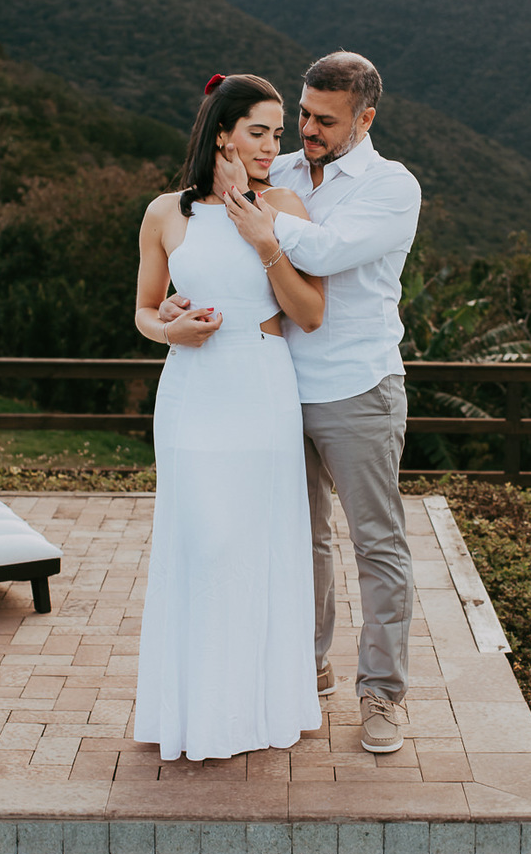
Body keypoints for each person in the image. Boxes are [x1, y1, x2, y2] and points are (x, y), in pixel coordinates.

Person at [165, 51, 421, 755]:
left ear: (365, 119)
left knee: (377, 544)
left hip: (355, 388)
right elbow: (210, 230)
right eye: (301, 114)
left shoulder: (391, 187)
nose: (304, 129)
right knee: (298, 540)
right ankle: (307, 668)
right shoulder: (274, 172)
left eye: (323, 120)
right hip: (273, 389)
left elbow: (330, 253)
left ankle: (383, 694)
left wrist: (258, 225)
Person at [133, 74, 325, 762]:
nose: (274, 146)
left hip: (262, 385)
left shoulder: (285, 204)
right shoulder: (165, 213)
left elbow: (309, 313)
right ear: (222, 133)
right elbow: (145, 311)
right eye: (259, 131)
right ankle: (193, 712)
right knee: (201, 547)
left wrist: (262, 234)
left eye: (279, 133)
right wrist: (170, 332)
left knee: (257, 548)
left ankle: (257, 712)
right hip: (191, 391)